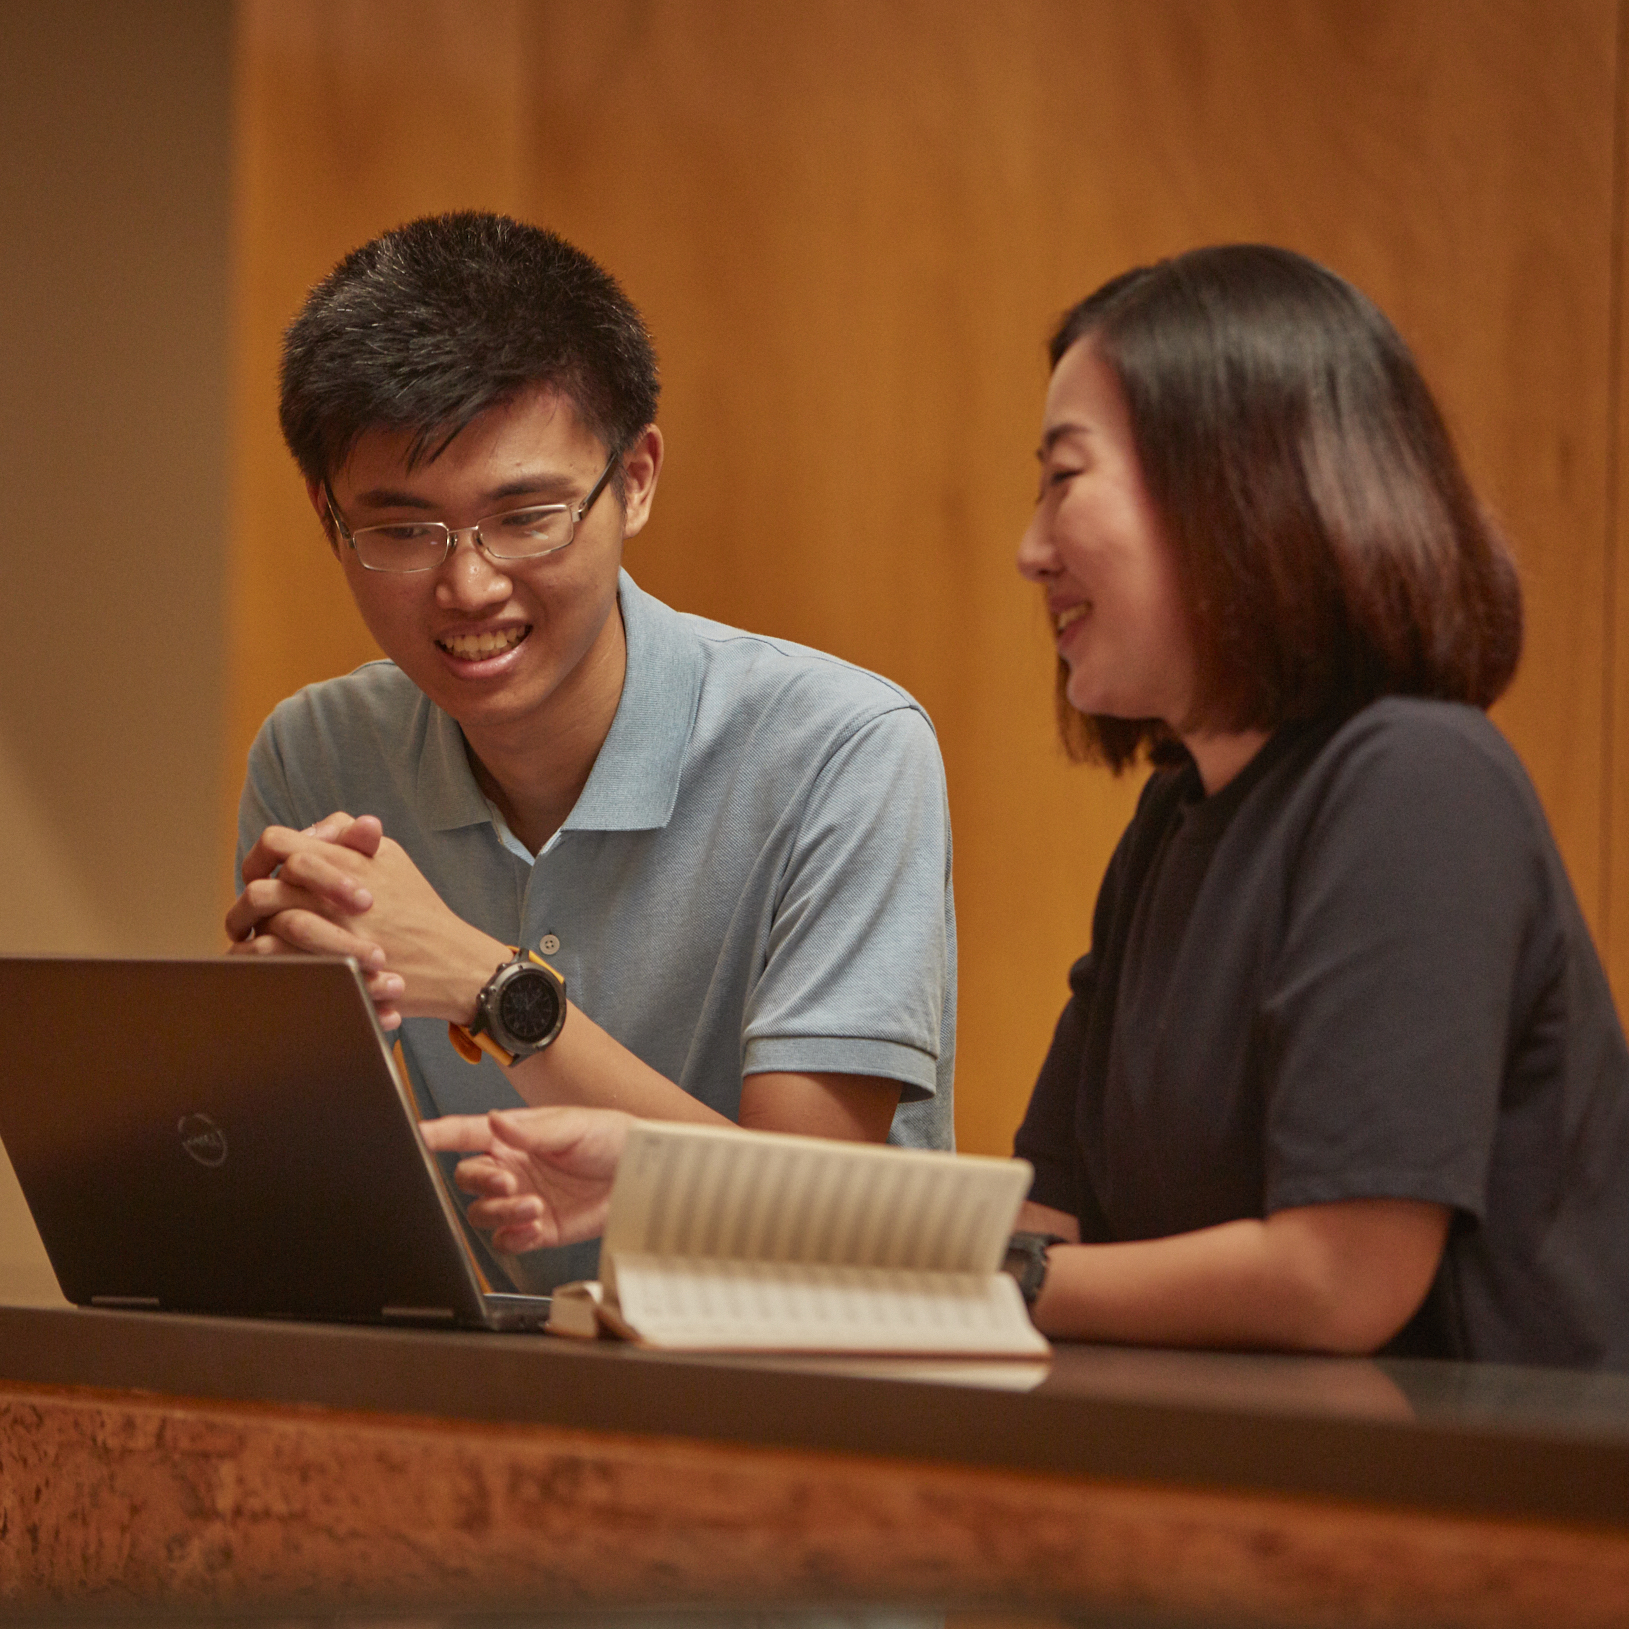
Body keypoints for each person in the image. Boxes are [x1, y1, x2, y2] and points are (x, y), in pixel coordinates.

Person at [432, 245, 1629, 1370]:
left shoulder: (1418, 779)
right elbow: (1047, 1219)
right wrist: (667, 1179)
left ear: (1240, 484)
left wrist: (986, 1277)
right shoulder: (1176, 821)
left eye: (1065, 481)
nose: (1030, 549)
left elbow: (1337, 1281)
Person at [225, 211, 955, 1292]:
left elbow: (822, 1215)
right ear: (328, 516)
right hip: (462, 1405)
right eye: (402, 530)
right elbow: (325, 1203)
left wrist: (491, 989)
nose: (468, 585)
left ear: (638, 477)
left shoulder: (842, 751)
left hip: (789, 1405)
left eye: (528, 516)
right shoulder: (315, 753)